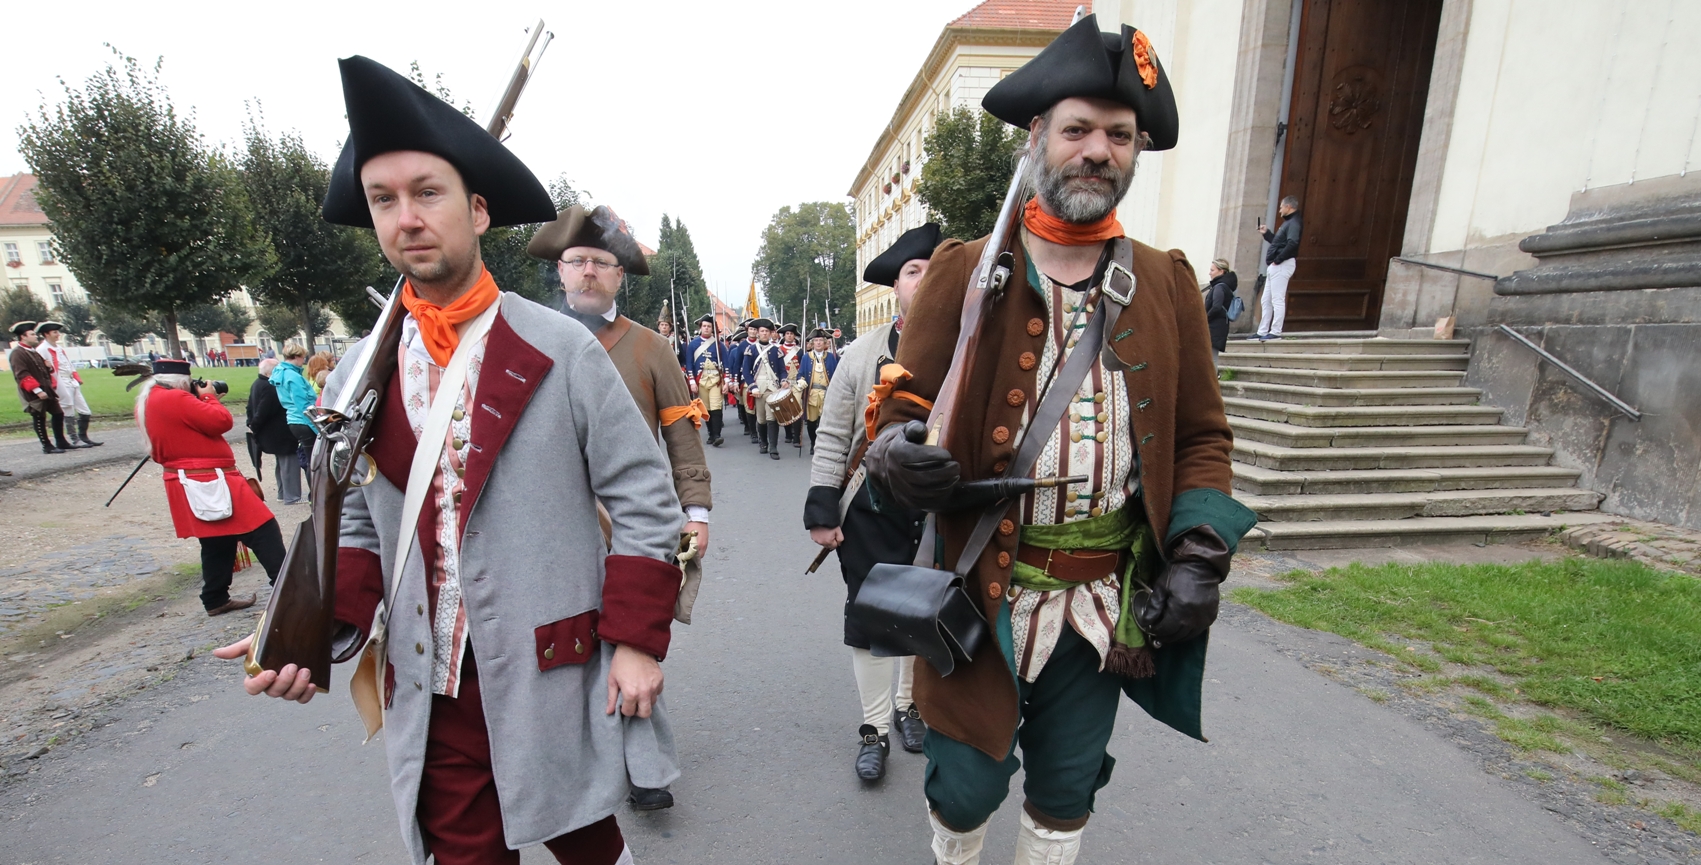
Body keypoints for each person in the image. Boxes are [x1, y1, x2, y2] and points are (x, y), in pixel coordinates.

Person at [213, 55, 683, 865]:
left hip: (550, 665)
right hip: (429, 678)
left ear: (477, 209)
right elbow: (356, 517)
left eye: (427, 193)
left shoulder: (560, 345)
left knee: (589, 847)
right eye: (383, 200)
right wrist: (310, 626)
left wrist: (637, 639)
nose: (407, 218)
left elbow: (644, 498)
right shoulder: (360, 368)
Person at [864, 17, 1258, 865]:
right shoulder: (965, 269)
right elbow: (898, 409)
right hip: (979, 587)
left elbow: (1201, 434)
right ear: (1038, 135)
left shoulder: (1166, 281)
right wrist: (896, 455)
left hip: (1102, 600)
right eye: (1078, 129)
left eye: (1118, 135)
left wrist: (1199, 554)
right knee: (964, 786)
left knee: (1068, 785)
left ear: (1136, 150)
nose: (1097, 151)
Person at [529, 204, 713, 812]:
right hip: (550, 526)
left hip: (630, 524)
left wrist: (697, 511)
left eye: (601, 263)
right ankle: (574, 759)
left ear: (619, 276)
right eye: (577, 261)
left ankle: (645, 768)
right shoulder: (527, 339)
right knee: (559, 648)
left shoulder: (651, 348)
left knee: (632, 640)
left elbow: (682, 437)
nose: (588, 272)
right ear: (560, 269)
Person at [803, 223, 940, 782]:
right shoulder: (861, 354)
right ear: (896, 286)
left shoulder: (973, 346)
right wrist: (822, 507)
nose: (924, 280)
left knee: (924, 611)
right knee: (871, 617)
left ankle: (909, 706)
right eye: (913, 271)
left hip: (940, 511)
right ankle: (874, 728)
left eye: (936, 271)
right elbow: (835, 435)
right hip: (869, 508)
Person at [135, 358, 285, 616]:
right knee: (262, 529)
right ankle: (287, 588)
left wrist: (202, 400)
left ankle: (215, 597)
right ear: (181, 381)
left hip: (193, 477)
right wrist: (209, 398)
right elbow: (220, 421)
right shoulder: (175, 398)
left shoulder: (152, 398)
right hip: (207, 477)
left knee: (217, 539)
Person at [9, 321, 75, 454]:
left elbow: (41, 369)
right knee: (39, 418)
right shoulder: (18, 353)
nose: (36, 336)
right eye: (32, 334)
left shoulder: (32, 351)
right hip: (34, 392)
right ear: (23, 337)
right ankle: (47, 445)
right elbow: (22, 374)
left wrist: (48, 367)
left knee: (58, 413)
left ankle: (61, 441)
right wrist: (37, 390)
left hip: (47, 389)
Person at [34, 321, 101, 447]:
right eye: (54, 332)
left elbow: (68, 364)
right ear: (46, 334)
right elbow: (43, 369)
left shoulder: (59, 348)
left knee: (85, 410)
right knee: (68, 409)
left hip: (70, 380)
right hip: (60, 381)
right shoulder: (42, 349)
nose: (58, 334)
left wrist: (76, 377)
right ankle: (74, 438)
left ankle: (83, 436)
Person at [246, 358, 303, 504]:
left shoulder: (256, 384)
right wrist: (255, 424)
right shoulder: (270, 387)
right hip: (279, 432)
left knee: (281, 463)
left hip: (268, 433)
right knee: (289, 462)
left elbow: (250, 407)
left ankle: (283, 493)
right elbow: (263, 409)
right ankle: (292, 496)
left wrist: (251, 423)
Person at [270, 344, 317, 498]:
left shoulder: (281, 372)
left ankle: (314, 496)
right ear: (296, 356)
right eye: (303, 357)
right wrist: (317, 427)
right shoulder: (293, 377)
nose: (303, 361)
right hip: (303, 420)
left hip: (294, 420)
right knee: (313, 462)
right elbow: (303, 405)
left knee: (310, 459)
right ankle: (315, 496)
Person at [740, 318, 789, 459]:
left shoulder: (776, 350)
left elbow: (782, 370)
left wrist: (784, 380)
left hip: (773, 387)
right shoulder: (751, 350)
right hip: (758, 388)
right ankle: (763, 443)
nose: (764, 333)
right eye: (762, 331)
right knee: (761, 419)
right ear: (758, 333)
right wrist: (753, 387)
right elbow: (746, 371)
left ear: (770, 333)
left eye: (767, 331)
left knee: (772, 417)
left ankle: (773, 447)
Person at [1257, 195, 1301, 340]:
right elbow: (1279, 243)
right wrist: (1267, 234)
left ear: (1289, 207)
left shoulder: (1294, 223)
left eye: (1281, 207)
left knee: (1277, 299)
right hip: (1276, 265)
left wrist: (1278, 260)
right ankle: (1262, 331)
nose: (1280, 210)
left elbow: (1292, 243)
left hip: (1282, 265)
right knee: (1266, 300)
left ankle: (1275, 331)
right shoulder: (1289, 223)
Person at [683, 314, 727, 447]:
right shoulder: (693, 345)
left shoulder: (719, 345)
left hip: (715, 379)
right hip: (701, 379)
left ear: (712, 329)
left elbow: (726, 364)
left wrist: (727, 381)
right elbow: (689, 364)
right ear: (701, 328)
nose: (706, 328)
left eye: (709, 326)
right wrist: (692, 381)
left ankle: (717, 434)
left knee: (716, 406)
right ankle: (711, 433)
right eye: (704, 326)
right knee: (706, 408)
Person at [798, 328, 837, 453]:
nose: (818, 343)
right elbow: (800, 374)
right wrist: (801, 380)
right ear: (812, 343)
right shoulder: (806, 357)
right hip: (812, 394)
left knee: (825, 422)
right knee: (811, 421)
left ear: (825, 343)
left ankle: (823, 444)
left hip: (827, 393)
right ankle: (813, 443)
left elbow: (836, 375)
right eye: (816, 340)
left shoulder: (830, 357)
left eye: (821, 340)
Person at [1203, 258, 1237, 366]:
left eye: (1212, 270)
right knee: (1211, 359)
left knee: (1211, 360)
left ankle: (1213, 377)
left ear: (1221, 271)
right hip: (1219, 327)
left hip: (1214, 328)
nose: (1210, 273)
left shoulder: (1219, 287)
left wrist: (1204, 319)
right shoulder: (1224, 286)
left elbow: (1216, 307)